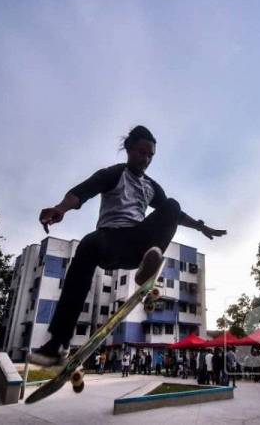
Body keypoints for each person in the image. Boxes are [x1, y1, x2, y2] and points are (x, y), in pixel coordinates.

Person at [29, 126, 227, 366]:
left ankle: (149, 265)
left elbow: (175, 214)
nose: (145, 159)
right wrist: (60, 208)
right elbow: (82, 192)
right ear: (129, 149)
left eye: (150, 156)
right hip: (110, 240)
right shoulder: (114, 173)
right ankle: (57, 343)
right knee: (87, 245)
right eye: (141, 153)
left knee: (172, 206)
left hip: (138, 243)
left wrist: (200, 227)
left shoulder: (152, 186)